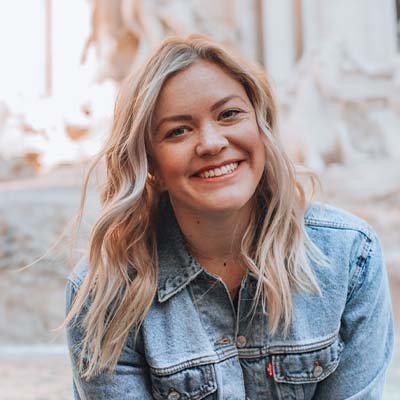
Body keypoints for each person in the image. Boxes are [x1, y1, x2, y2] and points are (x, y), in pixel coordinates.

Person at [64, 34, 394, 399]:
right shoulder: (107, 293)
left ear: (262, 127)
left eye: (229, 114)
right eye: (178, 131)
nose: (212, 143)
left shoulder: (349, 256)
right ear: (151, 164)